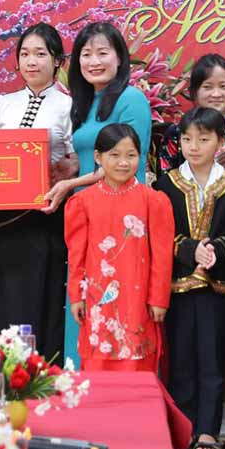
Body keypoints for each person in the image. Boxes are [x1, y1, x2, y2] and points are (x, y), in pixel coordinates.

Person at [43, 22, 154, 367]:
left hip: (121, 216)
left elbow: (122, 164)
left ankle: (119, 391)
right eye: (86, 54)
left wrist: (69, 185)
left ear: (120, 58)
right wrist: (65, 170)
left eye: (102, 53)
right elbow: (90, 156)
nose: (93, 61)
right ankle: (82, 388)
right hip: (88, 212)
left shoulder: (131, 99)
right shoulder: (86, 101)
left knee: (116, 301)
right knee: (83, 296)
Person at [154, 107, 225, 449]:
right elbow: (163, 235)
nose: (194, 146)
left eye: (204, 139)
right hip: (177, 287)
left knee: (213, 357)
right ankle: (183, 428)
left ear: (220, 141)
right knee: (181, 359)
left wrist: (216, 250)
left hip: (217, 289)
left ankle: (208, 428)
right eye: (187, 139)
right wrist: (191, 249)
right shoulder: (167, 183)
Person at [0, 23, 76, 359]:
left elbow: (76, 158)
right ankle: (4, 373)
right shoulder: (0, 106)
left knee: (44, 294)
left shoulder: (70, 107)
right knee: (8, 296)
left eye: (40, 54)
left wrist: (69, 168)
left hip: (48, 214)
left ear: (57, 61)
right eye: (25, 54)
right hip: (4, 218)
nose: (31, 62)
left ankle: (41, 374)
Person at [65, 123, 174, 372]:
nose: (123, 163)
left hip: (139, 300)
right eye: (114, 155)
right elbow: (76, 255)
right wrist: (76, 296)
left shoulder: (153, 200)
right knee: (96, 363)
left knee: (137, 361)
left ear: (141, 156)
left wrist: (159, 299)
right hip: (95, 298)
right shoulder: (82, 202)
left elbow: (162, 255)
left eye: (131, 155)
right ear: (98, 157)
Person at [157, 54, 225, 181]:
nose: (216, 94)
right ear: (194, 91)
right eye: (207, 87)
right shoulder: (177, 132)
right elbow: (164, 183)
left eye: (223, 86)